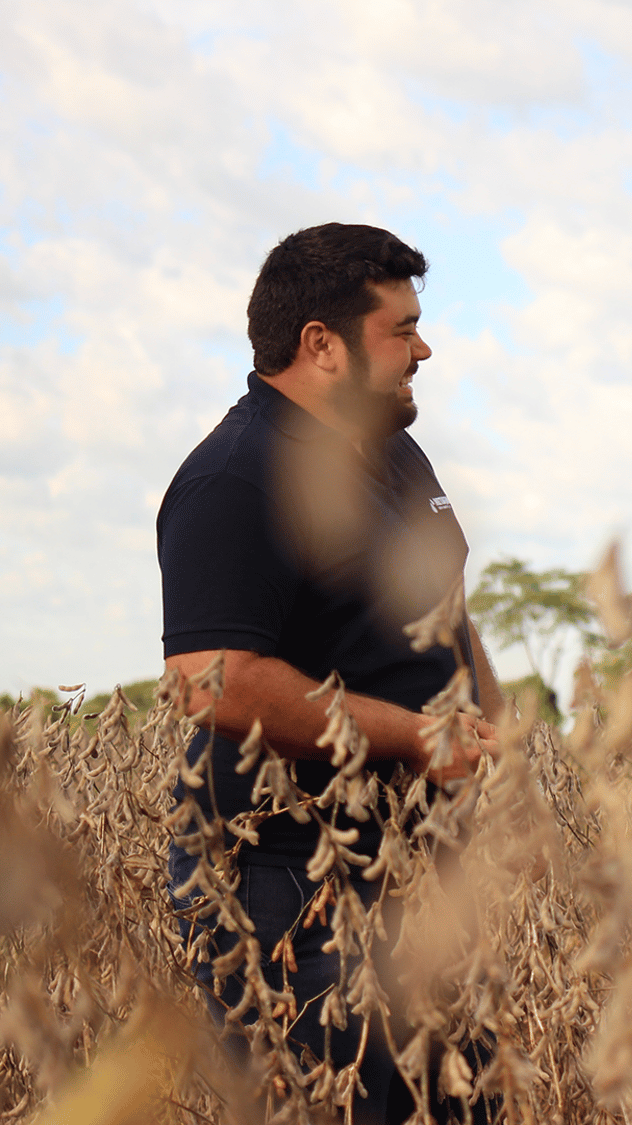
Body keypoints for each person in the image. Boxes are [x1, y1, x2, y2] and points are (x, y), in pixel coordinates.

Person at [158, 223, 505, 1123]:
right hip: (287, 884)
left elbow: (446, 611)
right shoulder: (234, 478)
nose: (423, 347)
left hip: (417, 878)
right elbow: (210, 680)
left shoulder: (397, 454)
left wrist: (492, 725)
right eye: (402, 329)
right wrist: (414, 736)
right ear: (322, 343)